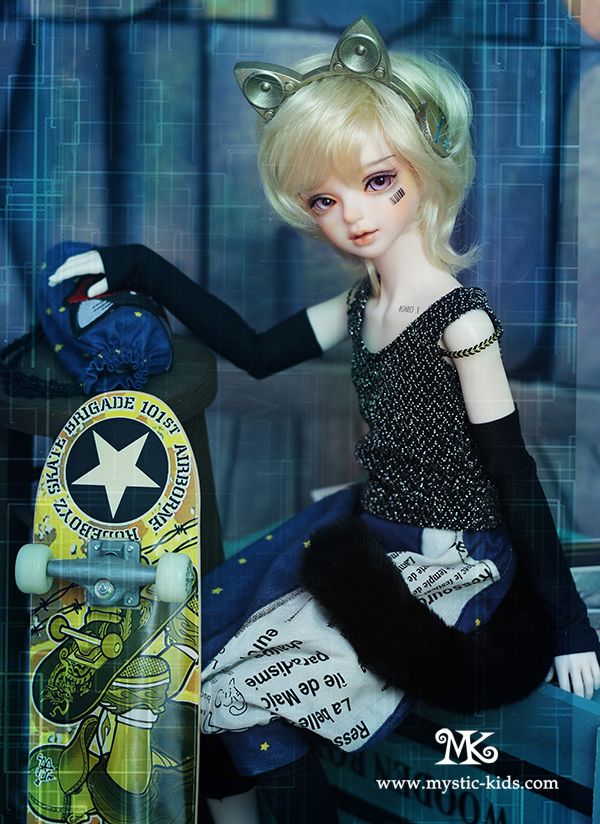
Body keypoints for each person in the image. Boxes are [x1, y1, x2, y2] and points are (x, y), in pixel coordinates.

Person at [49, 17, 600, 823]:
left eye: (379, 181)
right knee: (199, 654)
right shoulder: (359, 304)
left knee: (249, 690)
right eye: (324, 198)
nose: (354, 216)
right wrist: (138, 266)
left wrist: (570, 624)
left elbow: (510, 470)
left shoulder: (461, 322)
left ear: (426, 165)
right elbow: (254, 349)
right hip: (369, 526)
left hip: (449, 557)